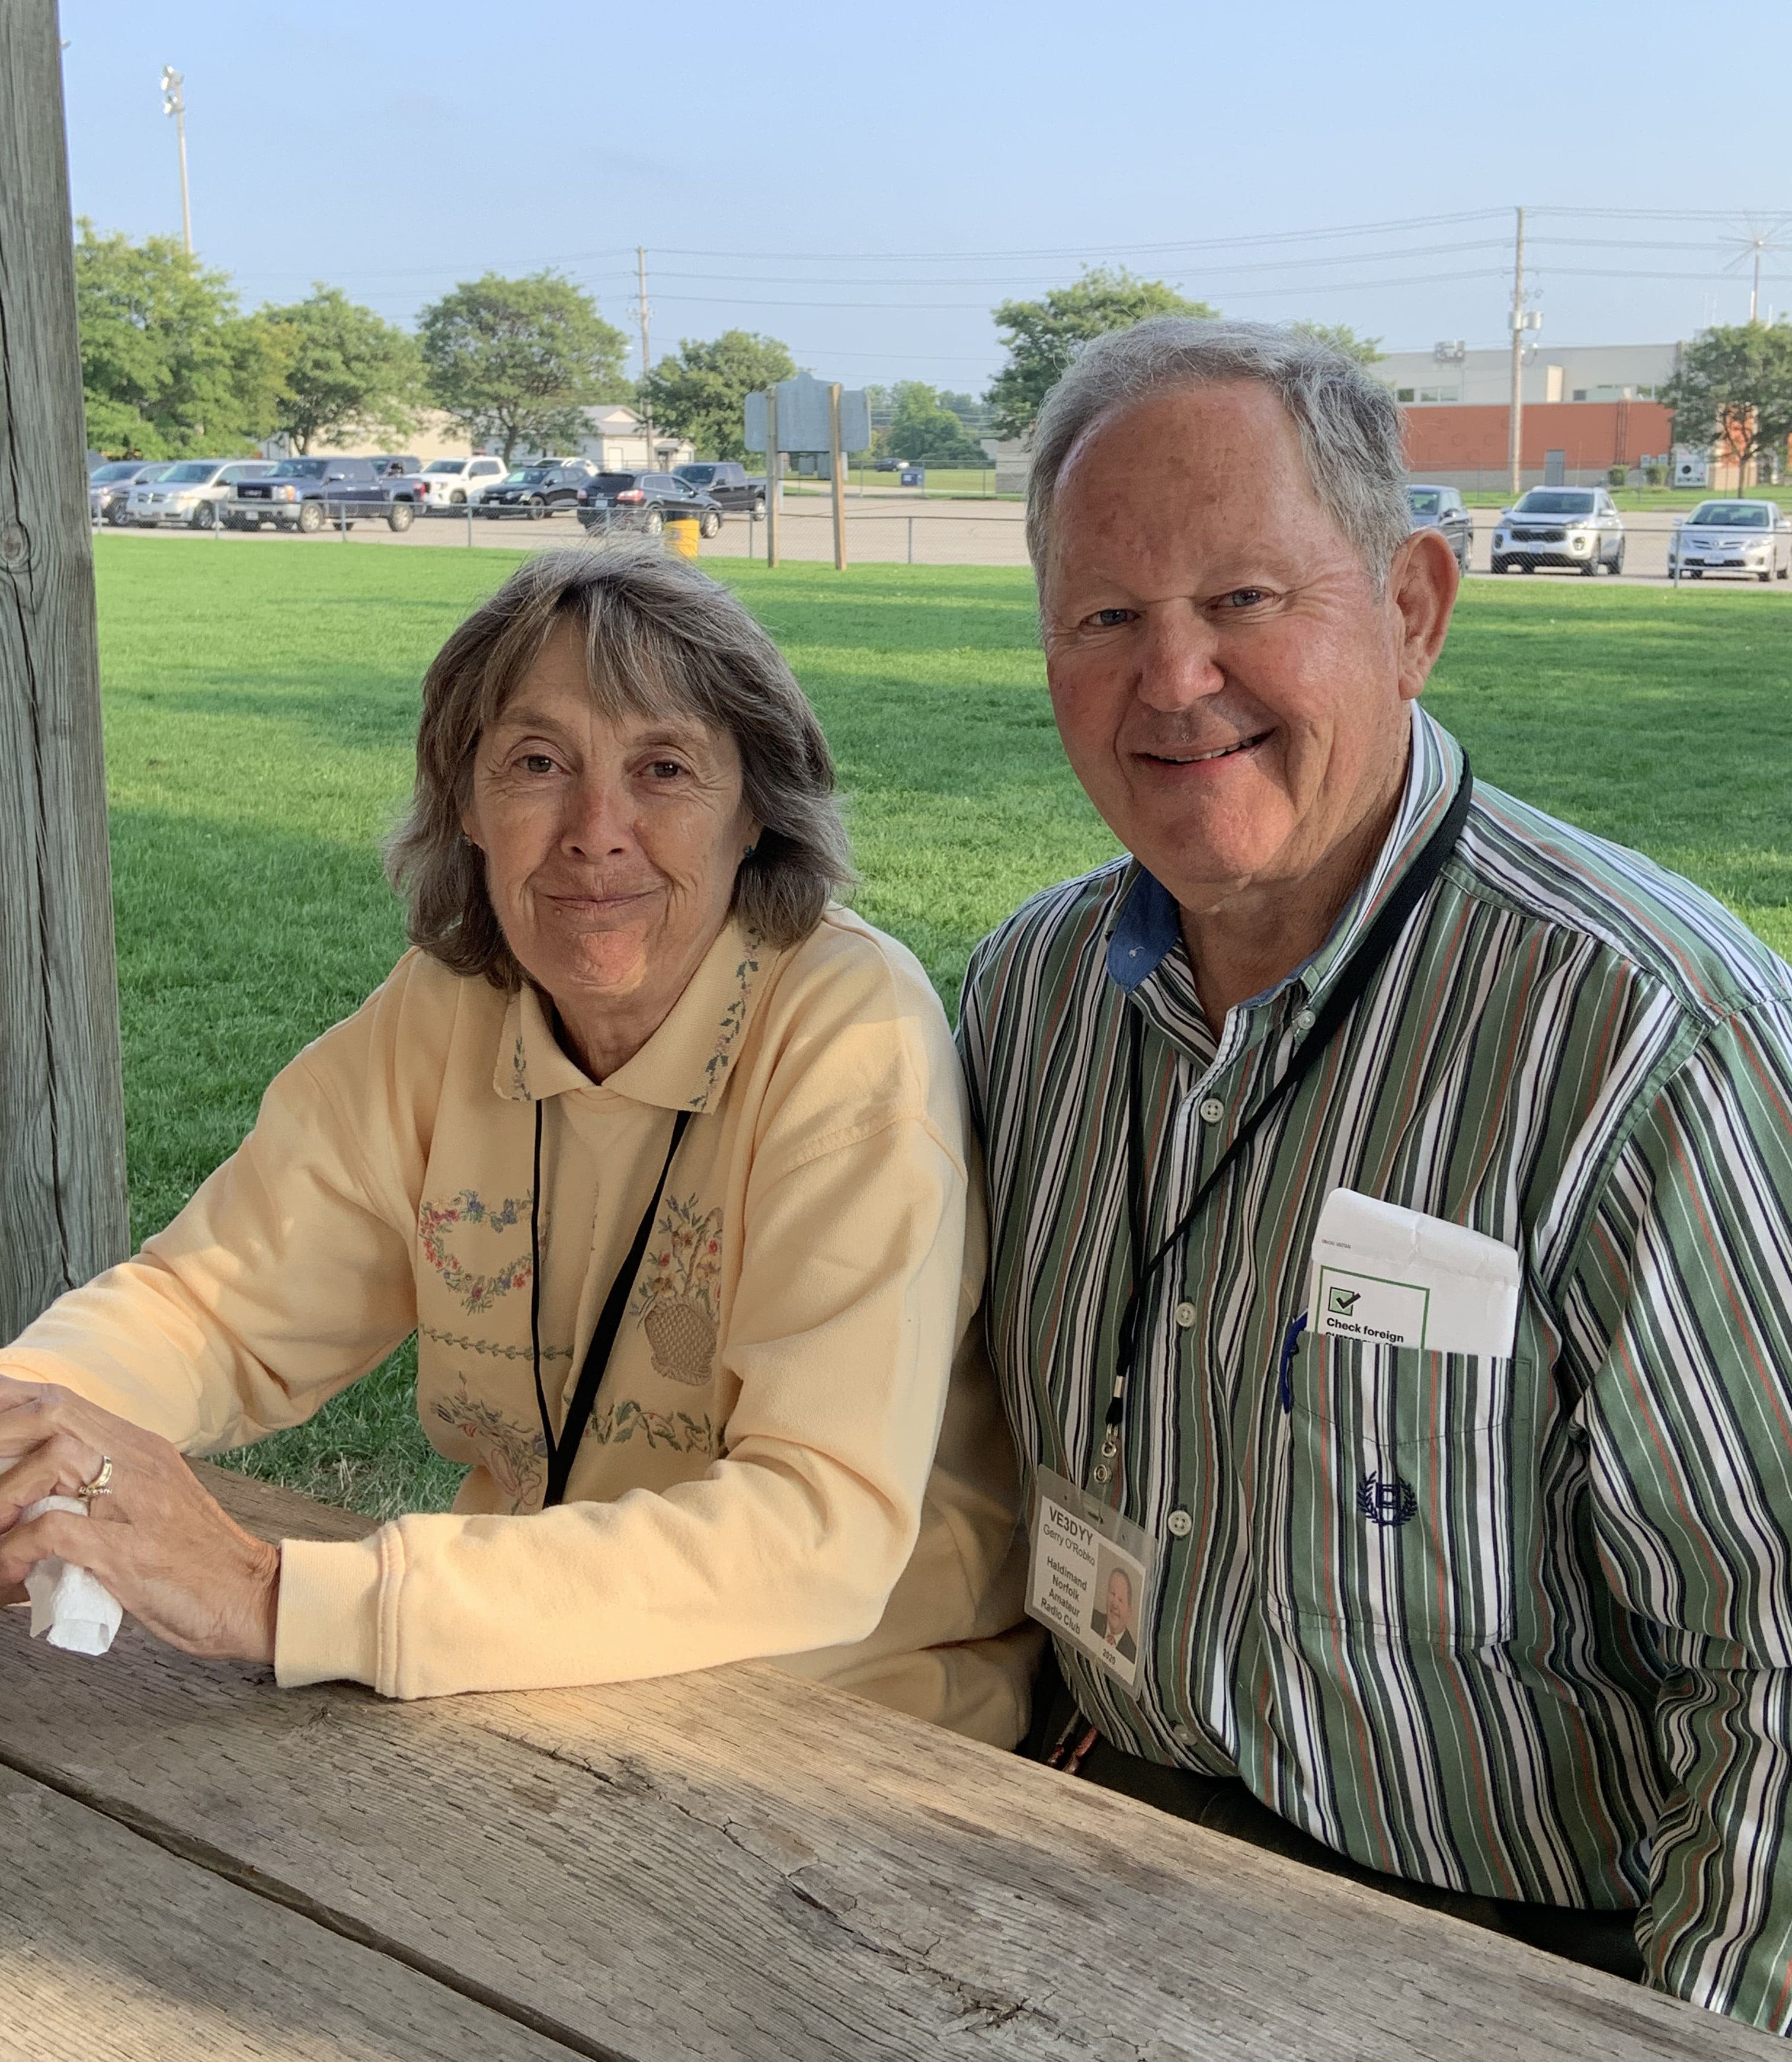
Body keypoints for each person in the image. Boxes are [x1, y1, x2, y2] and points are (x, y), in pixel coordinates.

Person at [958, 318, 1792, 2023]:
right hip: (1089, 1825)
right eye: (1105, 618)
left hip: (1515, 1947)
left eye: (1246, 600)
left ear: (1412, 609)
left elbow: (1774, 1662)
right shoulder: (1023, 1003)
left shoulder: (1646, 1036)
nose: (1172, 680)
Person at [0, 547, 1032, 1743]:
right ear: (469, 809)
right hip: (526, 1686)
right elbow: (214, 1306)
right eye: (538, 765)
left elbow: (818, 1536)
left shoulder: (848, 1032)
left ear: (756, 809)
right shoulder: (452, 1005)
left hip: (836, 1732)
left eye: (664, 769)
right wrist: (27, 1426)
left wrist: (269, 1594)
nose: (598, 832)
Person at [1091, 1563, 1136, 1664]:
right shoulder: (1091, 1619)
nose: (1115, 1604)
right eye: (1112, 1593)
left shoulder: (1132, 1654)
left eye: (1121, 1600)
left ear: (1129, 1612)